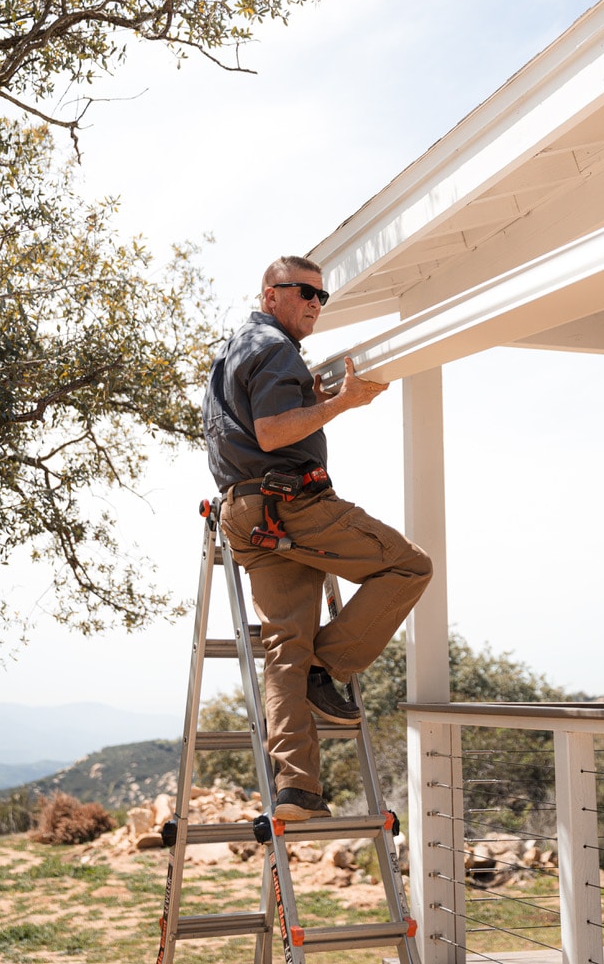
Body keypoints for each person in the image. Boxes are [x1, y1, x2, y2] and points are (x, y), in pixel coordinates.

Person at [201, 255, 433, 821]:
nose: (313, 302)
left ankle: (297, 790)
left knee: (284, 646)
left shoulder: (231, 353)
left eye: (321, 296)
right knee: (409, 568)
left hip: (246, 514)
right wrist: (342, 402)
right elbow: (273, 431)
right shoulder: (274, 348)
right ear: (269, 295)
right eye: (302, 291)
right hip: (292, 506)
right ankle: (325, 669)